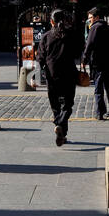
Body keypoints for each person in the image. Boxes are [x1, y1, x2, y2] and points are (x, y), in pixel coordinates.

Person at [36, 9, 83, 146]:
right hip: (69, 74)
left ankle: (60, 127)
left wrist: (36, 76)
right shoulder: (71, 35)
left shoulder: (46, 37)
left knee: (56, 105)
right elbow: (77, 54)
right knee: (68, 105)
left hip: (52, 75)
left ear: (51, 21)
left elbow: (40, 58)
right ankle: (61, 128)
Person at [82, 6, 109, 119]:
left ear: (97, 17)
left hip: (98, 63)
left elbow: (89, 45)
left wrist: (84, 60)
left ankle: (100, 113)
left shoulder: (94, 28)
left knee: (98, 88)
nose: (89, 20)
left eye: (90, 17)